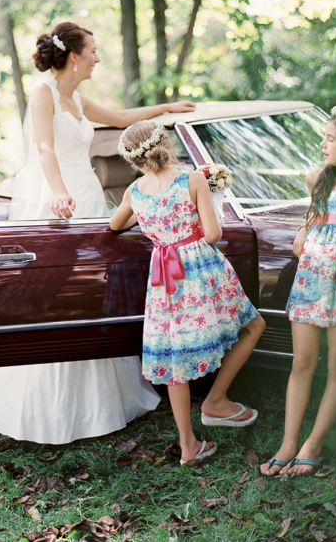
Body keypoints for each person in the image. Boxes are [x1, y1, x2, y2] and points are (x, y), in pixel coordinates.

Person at [0, 21, 196, 444]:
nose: (97, 56)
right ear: (74, 55)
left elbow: (121, 118)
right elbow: (44, 147)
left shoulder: (76, 98)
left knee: (91, 292)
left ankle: (100, 401)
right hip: (56, 198)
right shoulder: (44, 93)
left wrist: (167, 110)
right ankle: (41, 408)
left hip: (88, 197)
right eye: (93, 49)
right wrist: (58, 191)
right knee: (54, 295)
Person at [111, 121, 265, 465]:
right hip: (201, 271)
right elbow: (212, 233)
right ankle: (216, 401)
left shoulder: (134, 192)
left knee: (173, 357)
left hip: (164, 278)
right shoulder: (192, 179)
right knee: (253, 326)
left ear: (133, 160)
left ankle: (188, 445)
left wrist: (150, 222)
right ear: (165, 143)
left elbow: (115, 224)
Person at [260, 107, 336, 477]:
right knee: (302, 362)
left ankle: (314, 443)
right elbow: (309, 223)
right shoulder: (317, 179)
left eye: (331, 138)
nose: (323, 144)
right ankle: (289, 442)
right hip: (313, 279)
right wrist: (304, 230)